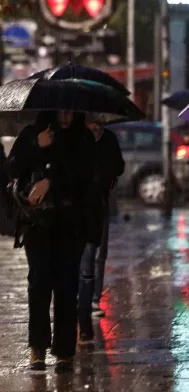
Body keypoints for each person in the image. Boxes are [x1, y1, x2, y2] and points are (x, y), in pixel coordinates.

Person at [6, 111, 96, 373]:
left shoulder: (82, 138)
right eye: (61, 110)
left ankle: (65, 351)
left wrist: (51, 181)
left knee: (66, 286)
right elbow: (13, 168)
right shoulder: (32, 134)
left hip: (70, 224)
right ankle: (37, 347)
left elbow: (87, 176)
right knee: (39, 283)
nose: (66, 116)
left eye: (71, 110)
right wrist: (37, 145)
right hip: (37, 224)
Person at [78, 121, 125, 341]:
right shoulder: (78, 137)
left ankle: (94, 297)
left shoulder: (108, 139)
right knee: (85, 255)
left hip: (100, 203)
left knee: (99, 252)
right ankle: (83, 301)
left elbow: (119, 166)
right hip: (79, 205)